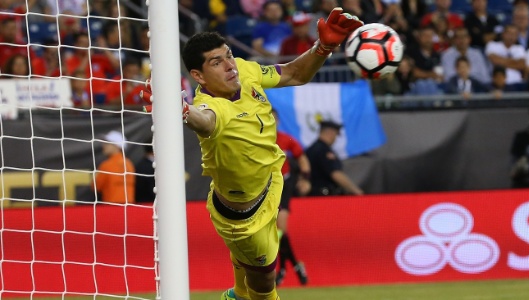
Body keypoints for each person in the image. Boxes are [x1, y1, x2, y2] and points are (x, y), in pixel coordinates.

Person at [141, 8, 362, 300]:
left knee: (249, 282)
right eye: (216, 63)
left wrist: (323, 47)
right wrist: (181, 111)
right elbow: (203, 120)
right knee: (264, 289)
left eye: (228, 55)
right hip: (244, 219)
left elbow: (295, 74)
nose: (229, 65)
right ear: (198, 76)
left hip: (272, 180)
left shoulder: (245, 70)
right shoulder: (212, 108)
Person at [271, 110, 311, 287]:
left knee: (280, 228)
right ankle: (294, 266)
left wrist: (305, 179)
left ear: (278, 121)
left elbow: (302, 158)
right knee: (277, 232)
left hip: (284, 185)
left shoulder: (286, 139)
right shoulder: (257, 141)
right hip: (265, 187)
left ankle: (282, 270)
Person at [305, 121, 364, 196]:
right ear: (330, 133)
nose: (335, 139)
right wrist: (356, 191)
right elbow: (335, 174)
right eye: (336, 135)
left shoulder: (311, 149)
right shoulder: (323, 151)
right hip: (324, 196)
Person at [91, 130, 136, 204]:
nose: (104, 146)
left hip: (111, 209)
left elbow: (95, 186)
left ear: (117, 146)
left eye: (107, 143)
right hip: (129, 207)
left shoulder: (106, 165)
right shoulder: (129, 164)